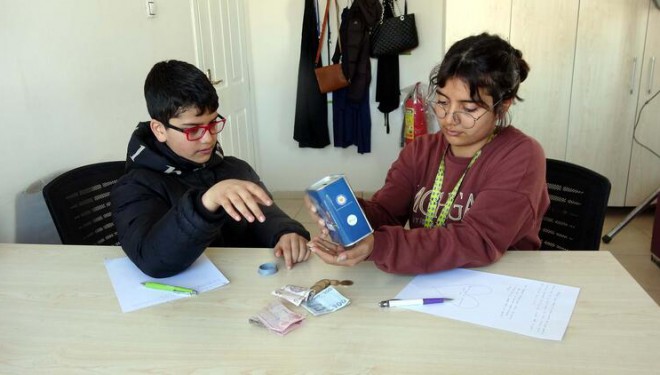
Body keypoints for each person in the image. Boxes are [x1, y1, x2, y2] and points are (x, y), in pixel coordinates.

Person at [306, 33, 550, 274]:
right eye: (443, 102)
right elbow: (387, 213)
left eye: (469, 108)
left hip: (500, 281)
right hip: (431, 277)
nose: (449, 118)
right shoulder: (421, 150)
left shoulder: (522, 156)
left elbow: (477, 240)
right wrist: (347, 212)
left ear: (502, 106)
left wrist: (382, 245)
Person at [112, 60, 310, 278]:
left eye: (213, 124)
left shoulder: (234, 169)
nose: (208, 139)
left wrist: (286, 232)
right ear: (160, 130)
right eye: (193, 130)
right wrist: (206, 203)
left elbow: (265, 215)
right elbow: (152, 260)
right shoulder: (135, 186)